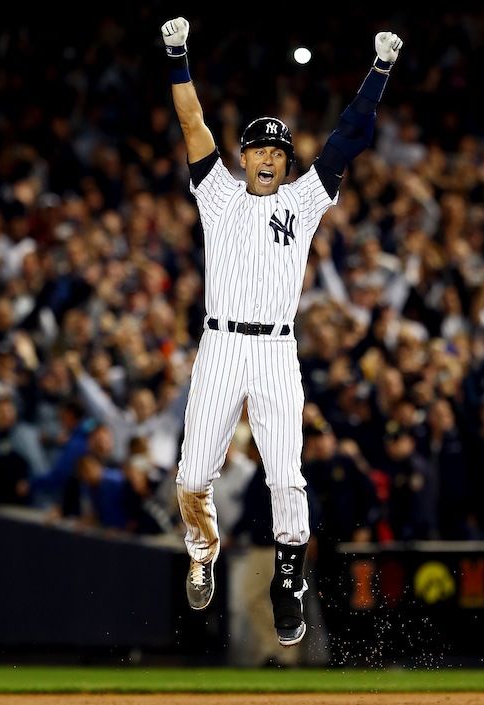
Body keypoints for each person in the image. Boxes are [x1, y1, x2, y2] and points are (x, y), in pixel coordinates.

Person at [160, 16, 402, 647]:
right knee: (191, 478)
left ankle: (289, 574)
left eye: (276, 151)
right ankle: (201, 552)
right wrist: (178, 54)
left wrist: (378, 73)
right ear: (243, 159)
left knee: (286, 476)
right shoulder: (218, 195)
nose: (266, 157)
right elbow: (193, 124)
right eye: (257, 150)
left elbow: (350, 138)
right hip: (219, 345)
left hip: (274, 348)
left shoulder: (302, 200)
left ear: (286, 163)